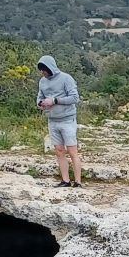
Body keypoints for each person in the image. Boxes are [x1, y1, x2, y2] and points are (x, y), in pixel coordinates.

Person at [35, 55, 82, 188]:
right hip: (52, 120)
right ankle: (65, 180)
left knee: (72, 151)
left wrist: (55, 100)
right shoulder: (42, 82)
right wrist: (41, 103)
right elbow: (39, 97)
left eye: (44, 69)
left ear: (50, 67)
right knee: (59, 150)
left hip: (67, 119)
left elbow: (74, 98)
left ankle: (78, 181)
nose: (42, 72)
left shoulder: (66, 79)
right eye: (41, 70)